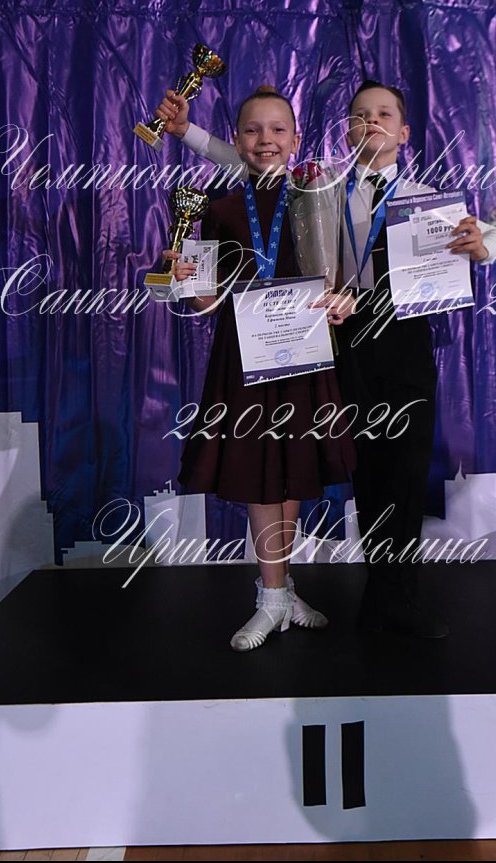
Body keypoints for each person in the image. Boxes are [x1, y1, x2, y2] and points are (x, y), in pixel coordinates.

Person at [157, 79, 496, 639]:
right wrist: (187, 133)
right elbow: (251, 158)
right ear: (345, 130)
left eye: (384, 114)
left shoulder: (427, 197)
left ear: (405, 131)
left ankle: (398, 597)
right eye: (361, 115)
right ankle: (366, 595)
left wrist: (484, 245)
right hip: (337, 342)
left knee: (404, 473)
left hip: (403, 344)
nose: (372, 123)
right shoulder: (319, 186)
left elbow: (486, 235)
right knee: (364, 475)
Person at [156, 85, 356, 652]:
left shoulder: (320, 196)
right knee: (260, 472)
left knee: (292, 469)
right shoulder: (219, 209)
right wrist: (183, 279)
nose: (265, 139)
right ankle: (270, 598)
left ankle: (282, 589)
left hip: (304, 356)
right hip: (244, 359)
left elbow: (343, 277)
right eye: (251, 129)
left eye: (277, 129)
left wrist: (343, 299)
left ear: (295, 139)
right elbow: (207, 299)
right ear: (236, 138)